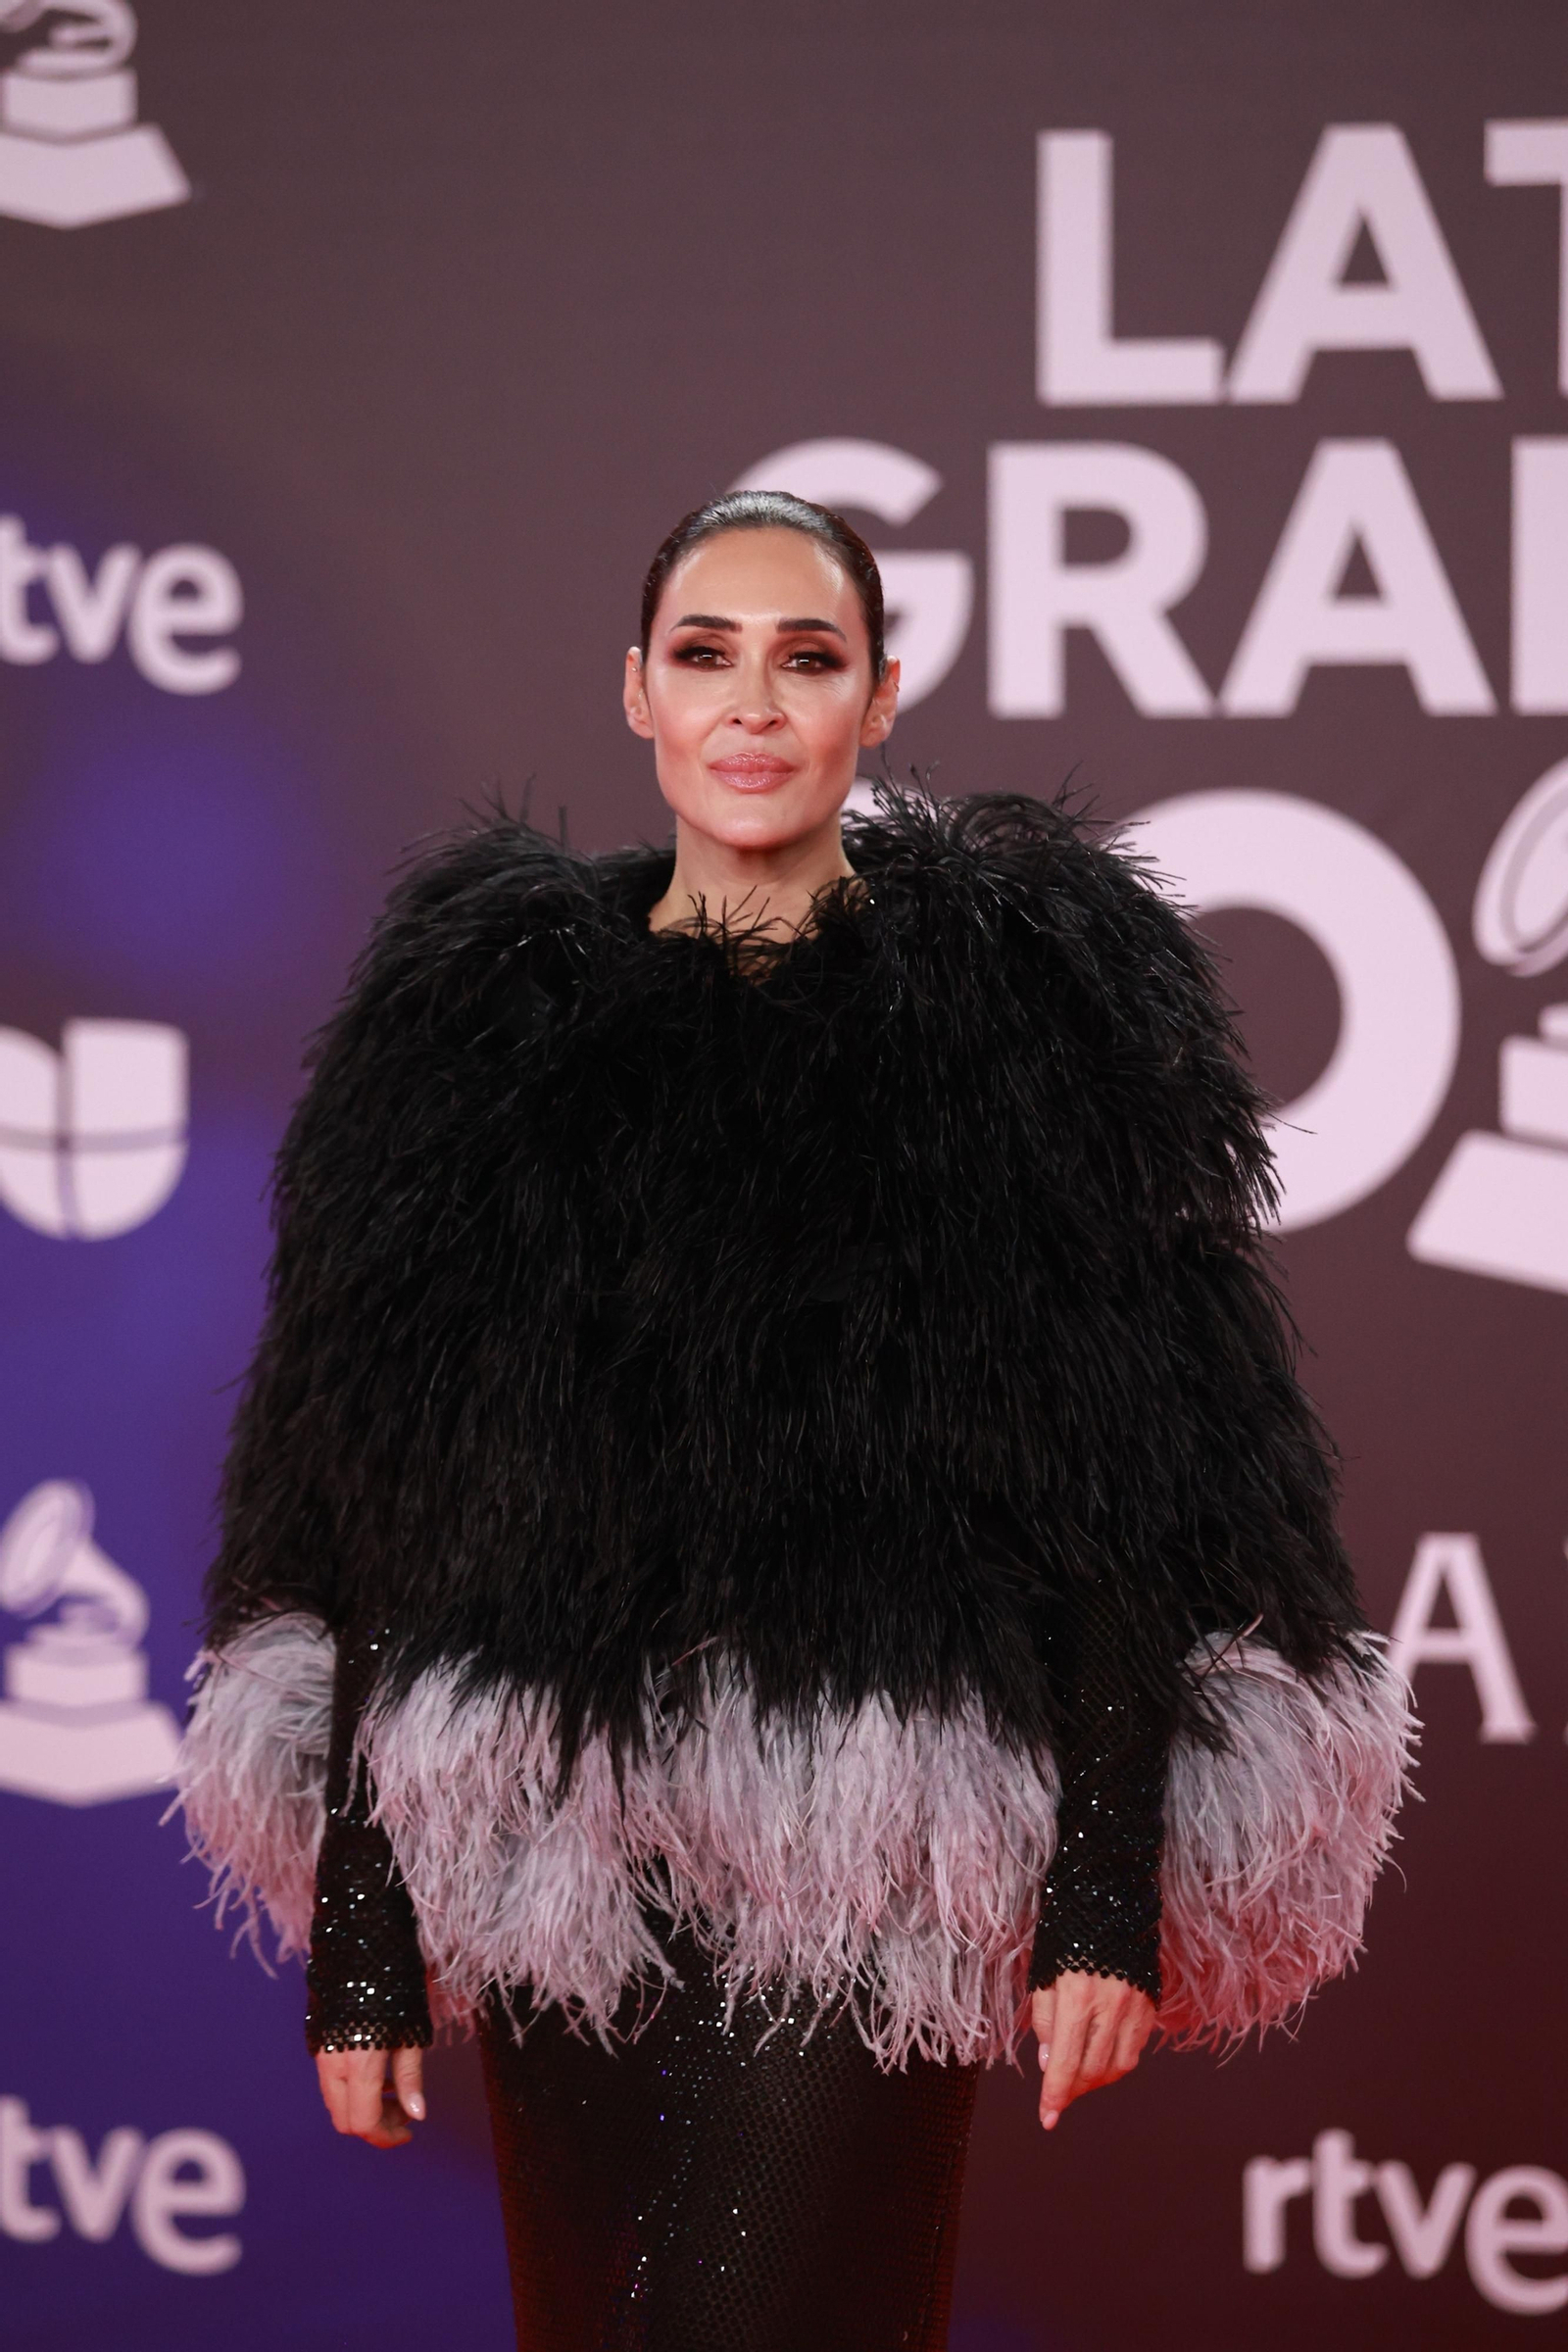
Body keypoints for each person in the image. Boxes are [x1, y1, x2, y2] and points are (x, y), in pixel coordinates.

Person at [177, 491, 1412, 2351]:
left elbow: (1126, 1497)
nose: (754, 703)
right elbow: (362, 1508)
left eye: (807, 657)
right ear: (638, 694)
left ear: (879, 700)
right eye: (708, 654)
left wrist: (1095, 1896)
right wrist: (364, 1923)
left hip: (869, 1852)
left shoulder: (1010, 1036)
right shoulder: (471, 1042)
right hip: (554, 1852)